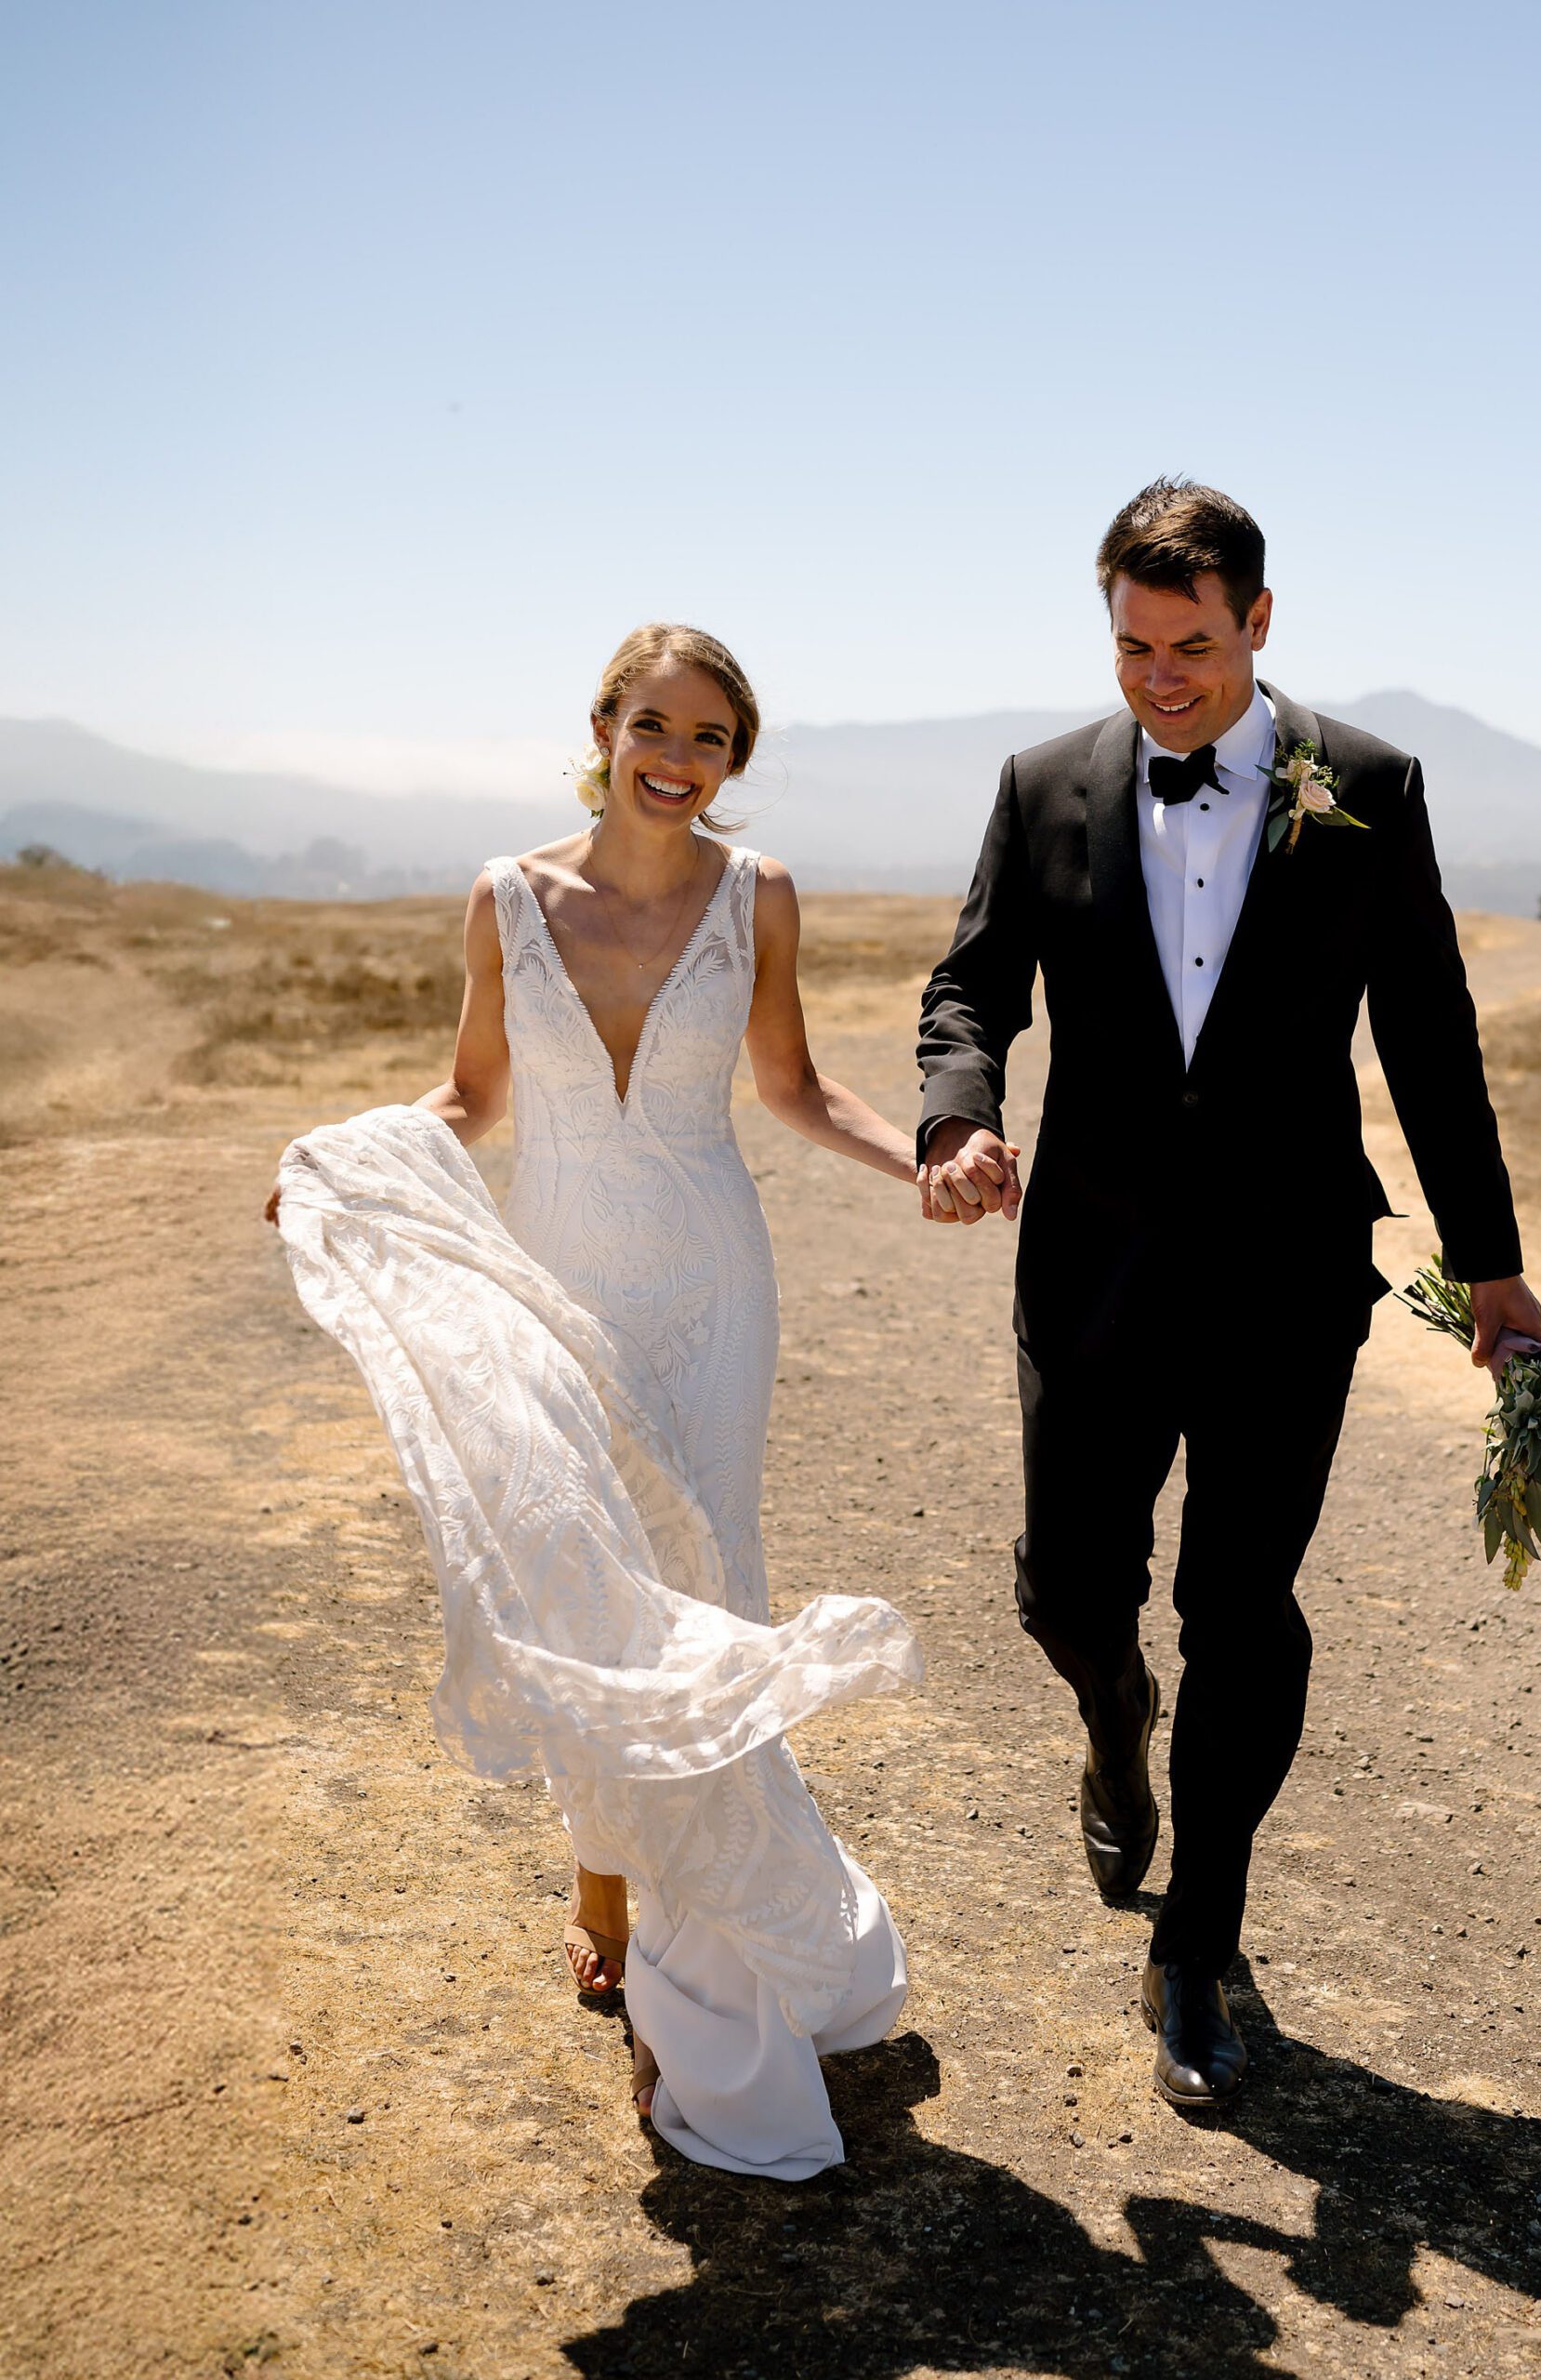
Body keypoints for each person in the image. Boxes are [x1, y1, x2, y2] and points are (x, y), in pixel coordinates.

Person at [915, 479, 1541, 2110]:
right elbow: (973, 982)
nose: (1159, 678)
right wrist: (960, 1111)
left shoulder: (1369, 788)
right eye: (1132, 646)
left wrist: (1492, 1266)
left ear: (1258, 623)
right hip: (1092, 1265)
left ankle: (1197, 1940)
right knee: (1068, 1589)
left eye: (1191, 645)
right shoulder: (1040, 785)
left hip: (1281, 1276)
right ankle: (1111, 1723)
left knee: (1242, 1608)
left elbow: (1426, 1031)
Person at [269, 623, 925, 2179]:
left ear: (732, 762)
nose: (677, 760)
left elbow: (792, 1087)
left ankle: (691, 2011)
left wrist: (928, 1161)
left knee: (705, 1588)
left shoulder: (755, 898)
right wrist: (342, 1160)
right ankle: (603, 1893)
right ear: (604, 728)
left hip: (713, 1289)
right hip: (555, 1278)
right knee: (587, 1593)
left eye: (709, 740)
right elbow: (473, 1097)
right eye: (654, 726)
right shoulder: (508, 896)